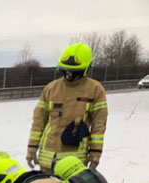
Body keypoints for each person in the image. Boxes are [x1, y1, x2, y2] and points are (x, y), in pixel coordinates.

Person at [27, 42, 108, 172]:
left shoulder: (95, 90)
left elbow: (99, 125)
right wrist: (32, 148)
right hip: (47, 160)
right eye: (65, 70)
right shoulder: (51, 88)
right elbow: (38, 121)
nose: (69, 74)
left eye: (74, 71)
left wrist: (95, 153)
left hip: (74, 163)